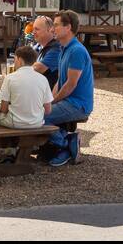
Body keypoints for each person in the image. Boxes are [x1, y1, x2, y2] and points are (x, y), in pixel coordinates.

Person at [44, 11, 94, 167]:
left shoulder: (77, 51)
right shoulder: (64, 48)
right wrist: (49, 101)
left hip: (78, 104)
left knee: (38, 117)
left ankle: (66, 144)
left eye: (56, 25)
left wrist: (52, 103)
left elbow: (71, 84)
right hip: (69, 101)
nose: (53, 29)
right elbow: (60, 80)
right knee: (39, 113)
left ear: (68, 28)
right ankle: (65, 144)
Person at [0, 44, 53, 130]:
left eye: (15, 59)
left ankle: (6, 141)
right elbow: (48, 110)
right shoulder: (43, 79)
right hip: (37, 123)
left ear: (20, 60)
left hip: (15, 123)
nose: (14, 63)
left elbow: (3, 109)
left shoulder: (10, 78)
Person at [29, 15, 61, 89]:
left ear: (49, 30)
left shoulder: (57, 48)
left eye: (37, 29)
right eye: (33, 29)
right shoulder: (38, 46)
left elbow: (37, 68)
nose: (33, 32)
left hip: (50, 96)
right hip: (38, 91)